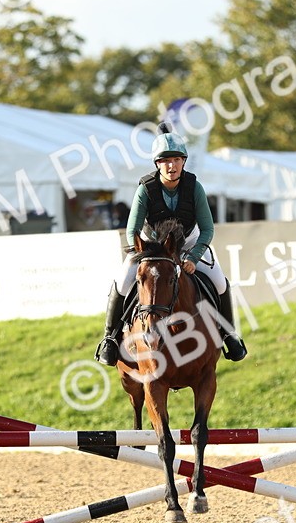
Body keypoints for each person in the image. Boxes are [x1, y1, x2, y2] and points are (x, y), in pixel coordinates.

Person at [94, 131, 247, 366]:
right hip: (153, 244)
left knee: (219, 280)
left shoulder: (195, 187)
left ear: (183, 161)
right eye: (165, 160)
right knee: (124, 279)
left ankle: (229, 335)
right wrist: (149, 252)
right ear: (157, 164)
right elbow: (132, 230)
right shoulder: (145, 188)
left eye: (176, 160)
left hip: (188, 240)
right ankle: (110, 339)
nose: (171, 165)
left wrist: (194, 258)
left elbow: (207, 229)